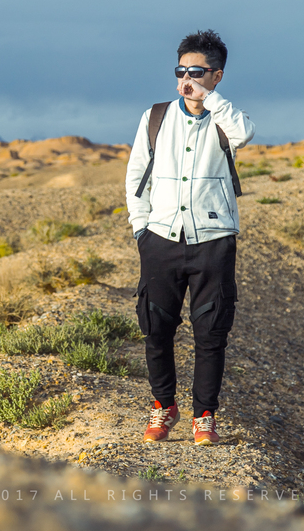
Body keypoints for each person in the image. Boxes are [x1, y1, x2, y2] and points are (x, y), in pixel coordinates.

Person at [125, 29, 255, 445]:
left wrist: (209, 99)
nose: (186, 79)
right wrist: (141, 227)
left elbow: (245, 133)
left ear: (217, 76)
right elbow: (136, 174)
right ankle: (164, 406)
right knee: (155, 328)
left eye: (197, 72)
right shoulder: (155, 117)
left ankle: (204, 416)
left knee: (211, 332)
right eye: (180, 71)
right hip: (160, 238)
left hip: (213, 240)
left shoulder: (225, 118)